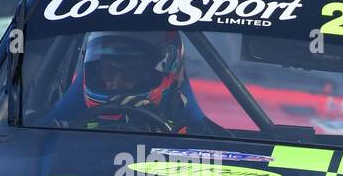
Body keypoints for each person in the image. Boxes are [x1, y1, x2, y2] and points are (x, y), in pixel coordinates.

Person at [42, 30, 217, 133]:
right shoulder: (60, 134)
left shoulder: (190, 141)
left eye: (132, 73)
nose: (117, 84)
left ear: (168, 71)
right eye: (108, 72)